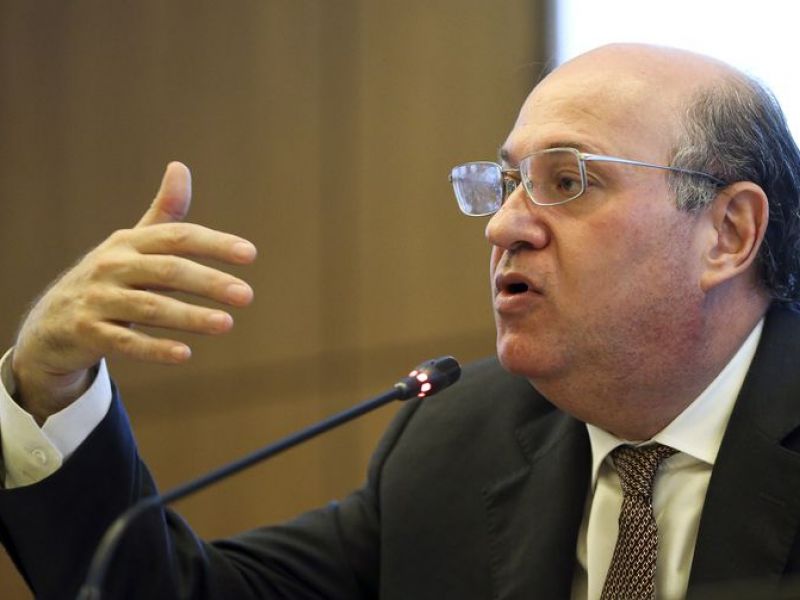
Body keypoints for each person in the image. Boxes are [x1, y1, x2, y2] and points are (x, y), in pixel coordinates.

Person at [1, 42, 800, 599]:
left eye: (568, 181)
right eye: (508, 184)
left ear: (728, 233)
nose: (503, 226)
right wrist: (50, 386)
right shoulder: (458, 441)